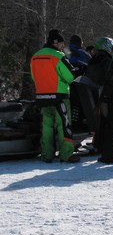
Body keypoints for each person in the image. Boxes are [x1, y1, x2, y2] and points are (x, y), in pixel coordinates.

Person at [30, 29, 79, 163]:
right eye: (62, 44)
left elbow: (34, 77)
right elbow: (70, 76)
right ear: (57, 43)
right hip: (59, 96)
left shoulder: (35, 56)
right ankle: (66, 154)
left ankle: (46, 154)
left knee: (46, 126)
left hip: (42, 96)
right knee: (64, 125)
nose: (63, 47)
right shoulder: (58, 56)